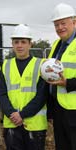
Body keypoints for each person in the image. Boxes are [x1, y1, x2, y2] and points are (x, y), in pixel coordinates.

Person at [0, 24, 48, 150]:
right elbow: (2, 93)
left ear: (30, 44)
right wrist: (11, 113)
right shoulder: (6, 65)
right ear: (12, 44)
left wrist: (22, 114)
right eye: (16, 42)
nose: (20, 45)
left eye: (23, 42)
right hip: (12, 124)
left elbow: (42, 96)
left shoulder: (40, 65)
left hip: (34, 125)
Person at [47, 3, 76, 150]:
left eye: (63, 23)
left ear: (74, 22)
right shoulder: (57, 44)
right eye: (56, 24)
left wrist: (69, 83)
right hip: (59, 109)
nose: (60, 28)